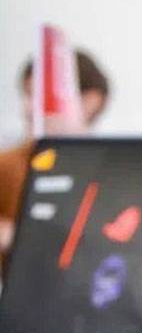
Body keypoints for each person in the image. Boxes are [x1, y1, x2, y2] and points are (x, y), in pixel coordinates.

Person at [0, 50, 111, 251]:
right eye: (28, 95)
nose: (28, 108)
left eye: (42, 96)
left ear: (91, 101)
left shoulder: (113, 169)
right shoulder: (7, 165)